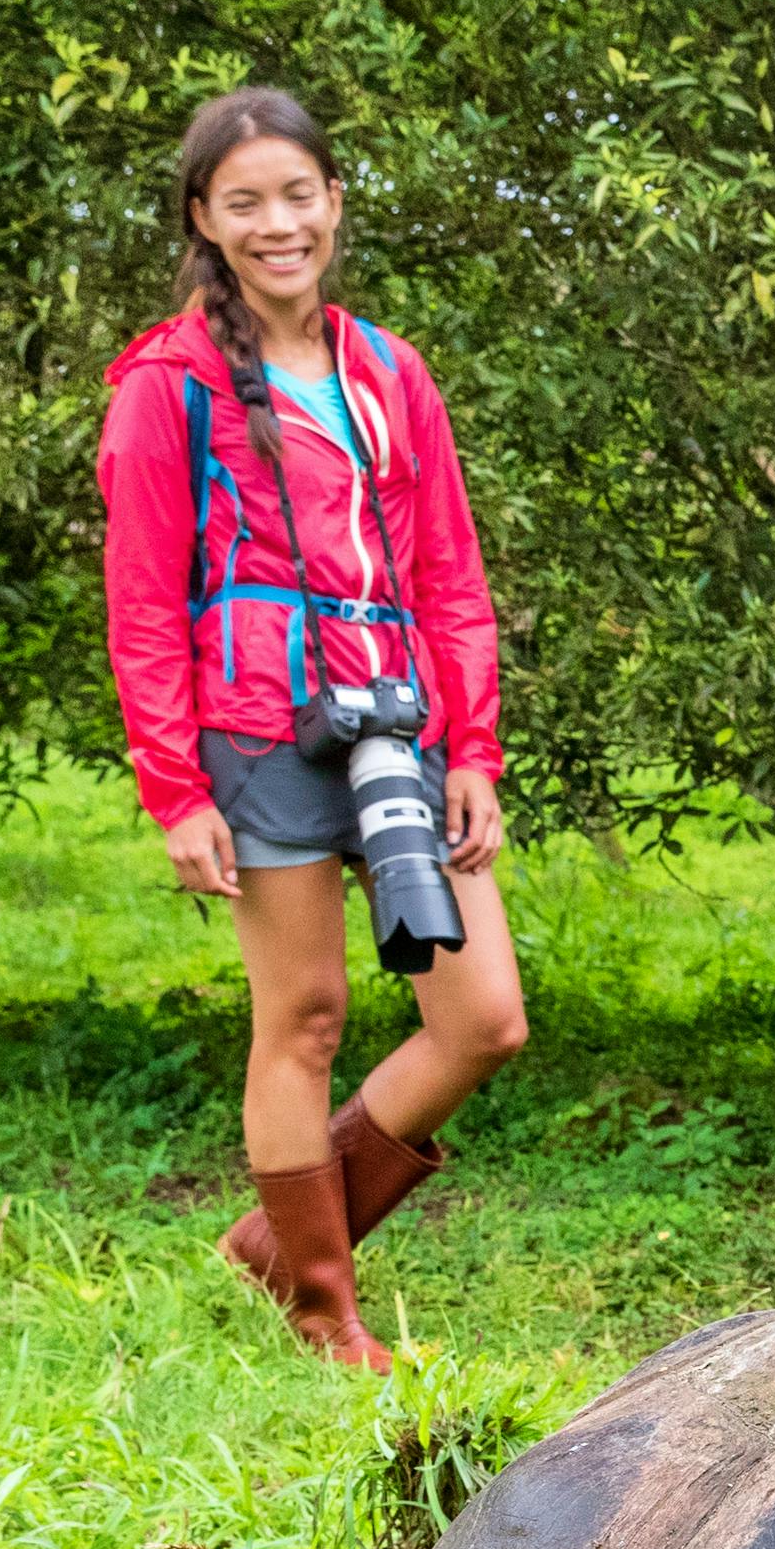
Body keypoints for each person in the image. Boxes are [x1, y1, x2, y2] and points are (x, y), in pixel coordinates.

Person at [98, 89, 526, 1371]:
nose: (278, 223)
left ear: (334, 202)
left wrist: (473, 748)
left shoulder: (390, 370)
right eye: (246, 202)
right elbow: (141, 601)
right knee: (306, 1018)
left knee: (484, 1016)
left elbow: (449, 570)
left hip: (398, 720)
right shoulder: (166, 387)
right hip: (254, 726)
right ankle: (322, 1309)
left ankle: (266, 1244)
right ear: (204, 221)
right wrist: (175, 788)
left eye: (298, 194)